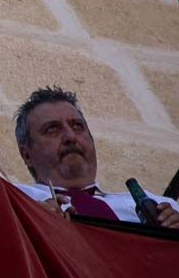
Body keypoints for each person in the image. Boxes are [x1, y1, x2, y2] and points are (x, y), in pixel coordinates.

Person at [13, 87, 178, 227]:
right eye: (52, 129)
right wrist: (28, 222)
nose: (70, 136)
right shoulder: (13, 200)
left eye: (78, 126)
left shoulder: (160, 205)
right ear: (26, 154)